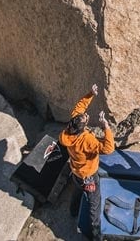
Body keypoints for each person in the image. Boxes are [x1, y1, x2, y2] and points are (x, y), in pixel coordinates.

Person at [59, 84, 115, 241]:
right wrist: (106, 127)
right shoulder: (86, 140)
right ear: (83, 128)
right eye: (85, 118)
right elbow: (108, 148)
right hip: (89, 176)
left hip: (76, 172)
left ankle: (73, 211)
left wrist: (91, 93)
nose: (85, 116)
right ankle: (96, 235)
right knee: (94, 205)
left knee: (77, 190)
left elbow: (80, 106)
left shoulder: (69, 130)